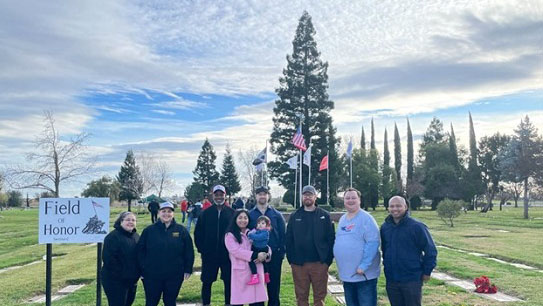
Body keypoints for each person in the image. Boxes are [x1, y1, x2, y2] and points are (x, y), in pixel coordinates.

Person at [381, 196, 438, 306]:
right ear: (388, 208)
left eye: (398, 206)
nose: (395, 209)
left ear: (405, 207)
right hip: (392, 279)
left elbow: (430, 250)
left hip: (411, 279)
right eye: (392, 206)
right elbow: (385, 250)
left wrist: (427, 271)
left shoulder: (417, 227)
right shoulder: (385, 227)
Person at [137, 202, 194, 306]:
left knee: (170, 301)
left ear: (173, 214)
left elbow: (189, 251)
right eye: (163, 211)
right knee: (151, 302)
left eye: (169, 211)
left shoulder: (181, 231)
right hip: (152, 275)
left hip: (174, 274)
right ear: (159, 213)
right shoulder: (149, 230)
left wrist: (188, 269)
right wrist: (142, 269)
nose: (166, 214)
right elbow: (140, 251)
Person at [286, 185, 335, 306]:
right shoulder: (295, 216)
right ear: (302, 197)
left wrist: (327, 260)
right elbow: (289, 239)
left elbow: (331, 239)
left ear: (315, 197)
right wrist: (291, 260)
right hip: (299, 264)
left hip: (319, 263)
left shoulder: (324, 215)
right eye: (305, 195)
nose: (307, 197)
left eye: (310, 194)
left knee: (319, 297)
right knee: (301, 297)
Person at [333, 188, 380, 306]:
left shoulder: (366, 219)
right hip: (347, 275)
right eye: (347, 198)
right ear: (343, 201)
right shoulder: (343, 219)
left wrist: (364, 265)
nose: (350, 200)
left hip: (363, 276)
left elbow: (373, 243)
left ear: (359, 200)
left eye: (353, 198)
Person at [194, 185, 236, 306]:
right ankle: (206, 303)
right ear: (212, 195)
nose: (219, 197)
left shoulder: (232, 213)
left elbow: (237, 233)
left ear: (225, 195)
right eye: (216, 194)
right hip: (209, 255)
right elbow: (198, 233)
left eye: (221, 194)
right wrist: (202, 249)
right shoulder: (205, 213)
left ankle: (229, 303)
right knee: (207, 281)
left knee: (228, 281)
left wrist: (233, 250)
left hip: (227, 255)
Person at [248, 186, 286, 306]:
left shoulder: (276, 215)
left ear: (268, 196)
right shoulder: (250, 215)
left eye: (265, 194)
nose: (262, 196)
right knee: (256, 289)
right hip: (256, 258)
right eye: (259, 194)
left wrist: (280, 254)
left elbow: (283, 235)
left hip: (274, 257)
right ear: (256, 196)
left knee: (273, 288)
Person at [225, 209, 270, 306]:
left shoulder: (254, 232)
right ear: (235, 219)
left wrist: (267, 254)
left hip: (256, 271)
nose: (243, 220)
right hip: (240, 273)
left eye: (245, 218)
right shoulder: (230, 235)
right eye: (240, 218)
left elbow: (265, 245)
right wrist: (255, 255)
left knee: (257, 302)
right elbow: (236, 251)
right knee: (239, 301)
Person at [101, 211, 140, 306]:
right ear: (121, 221)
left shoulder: (136, 236)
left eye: (133, 220)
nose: (131, 222)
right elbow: (109, 260)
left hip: (131, 280)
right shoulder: (112, 237)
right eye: (128, 220)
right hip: (115, 280)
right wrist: (124, 275)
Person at [247, 216, 271, 285]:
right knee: (258, 262)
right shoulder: (257, 231)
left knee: (254, 261)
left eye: (263, 223)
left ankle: (257, 275)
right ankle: (262, 275)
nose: (260, 225)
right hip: (257, 248)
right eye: (259, 223)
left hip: (262, 248)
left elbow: (258, 238)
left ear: (267, 225)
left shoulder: (265, 233)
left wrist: (250, 235)